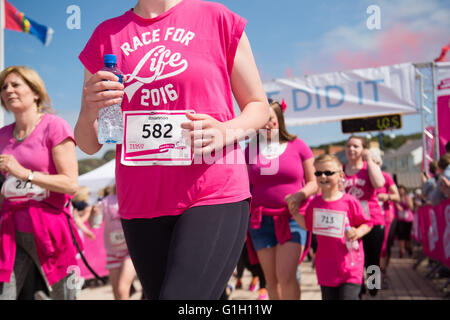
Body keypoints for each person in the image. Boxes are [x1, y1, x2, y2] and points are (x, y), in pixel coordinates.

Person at [75, 0, 270, 300]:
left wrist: (224, 131)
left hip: (212, 191)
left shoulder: (216, 17)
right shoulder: (106, 35)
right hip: (140, 204)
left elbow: (259, 107)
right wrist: (91, 109)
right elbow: (88, 143)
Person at [0, 66, 80, 300]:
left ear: (35, 92)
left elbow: (71, 184)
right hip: (10, 230)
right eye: (4, 87)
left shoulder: (54, 126)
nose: (8, 90)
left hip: (51, 230)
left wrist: (24, 174)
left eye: (16, 85)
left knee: (64, 297)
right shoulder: (2, 135)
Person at [246, 99, 317, 300]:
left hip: (292, 218)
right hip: (260, 221)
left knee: (286, 276)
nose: (266, 124)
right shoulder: (249, 150)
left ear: (279, 120)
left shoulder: (298, 145)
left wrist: (300, 195)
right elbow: (243, 185)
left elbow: (314, 182)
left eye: (270, 119)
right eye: (261, 120)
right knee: (271, 279)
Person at [289, 154, 372, 300]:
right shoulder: (314, 204)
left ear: (340, 175)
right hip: (326, 268)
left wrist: (357, 232)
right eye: (318, 173)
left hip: (350, 265)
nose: (323, 176)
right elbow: (308, 225)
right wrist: (295, 213)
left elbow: (368, 223)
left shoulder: (349, 201)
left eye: (328, 172)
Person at [342, 136, 385, 298]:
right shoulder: (341, 170)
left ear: (364, 149)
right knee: (354, 259)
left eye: (356, 146)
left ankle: (373, 290)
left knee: (372, 259)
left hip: (372, 221)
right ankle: (358, 290)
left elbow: (379, 183)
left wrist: (369, 160)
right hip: (350, 225)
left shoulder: (369, 167)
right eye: (348, 146)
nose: (351, 149)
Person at [95, 184, 137, 300]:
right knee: (116, 293)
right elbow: (94, 224)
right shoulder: (106, 201)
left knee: (122, 289)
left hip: (130, 251)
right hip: (113, 252)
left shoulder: (133, 197)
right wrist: (94, 215)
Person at [371, 152, 399, 285]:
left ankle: (378, 278)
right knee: (369, 249)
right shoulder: (364, 177)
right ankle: (370, 281)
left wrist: (386, 197)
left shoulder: (386, 177)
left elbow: (396, 196)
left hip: (384, 216)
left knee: (381, 248)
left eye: (375, 164)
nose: (372, 167)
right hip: (367, 217)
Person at [394, 186, 414, 258]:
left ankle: (409, 248)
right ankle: (401, 251)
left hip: (408, 220)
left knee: (407, 236)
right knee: (400, 236)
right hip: (399, 220)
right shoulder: (396, 198)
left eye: (402, 190)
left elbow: (411, 207)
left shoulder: (407, 197)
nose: (401, 192)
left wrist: (405, 202)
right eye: (399, 190)